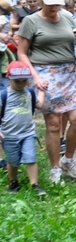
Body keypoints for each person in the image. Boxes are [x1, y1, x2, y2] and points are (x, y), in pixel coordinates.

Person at [17, 0, 76, 183]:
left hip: (70, 72)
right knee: (54, 123)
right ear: (40, 1)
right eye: (50, 5)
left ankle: (68, 159)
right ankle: (55, 167)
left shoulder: (67, 16)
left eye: (57, 4)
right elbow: (22, 52)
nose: (54, 8)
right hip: (45, 74)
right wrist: (35, 77)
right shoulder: (31, 21)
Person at [2, 61, 47, 196]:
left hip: (28, 133)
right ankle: (13, 182)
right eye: (17, 81)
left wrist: (42, 90)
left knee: (31, 158)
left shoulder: (30, 93)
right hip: (9, 135)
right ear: (8, 78)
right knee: (13, 161)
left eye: (24, 81)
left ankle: (35, 184)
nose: (21, 84)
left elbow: (39, 105)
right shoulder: (3, 95)